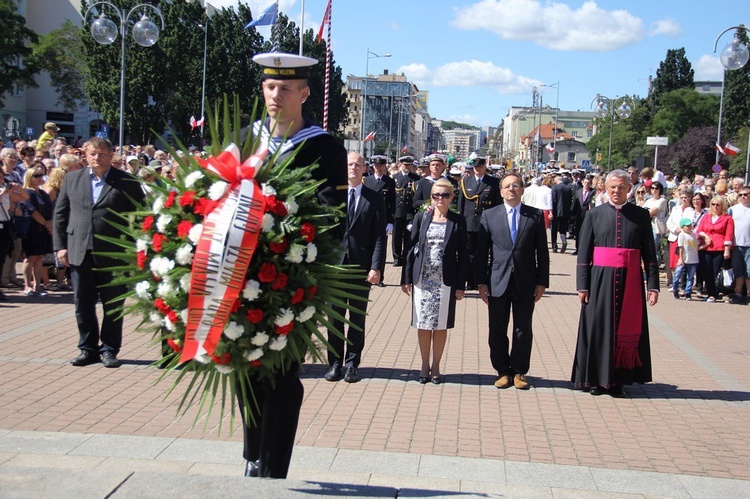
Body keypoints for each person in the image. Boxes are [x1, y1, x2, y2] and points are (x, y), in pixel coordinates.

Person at [238, 52, 348, 480]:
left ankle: (272, 468)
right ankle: (252, 451)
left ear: (303, 93)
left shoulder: (324, 147)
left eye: (285, 88)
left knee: (283, 375)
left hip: (295, 280)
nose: (275, 95)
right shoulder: (246, 140)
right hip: (243, 273)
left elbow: (333, 216)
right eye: (269, 86)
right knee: (247, 367)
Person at [53, 137, 146, 366]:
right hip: (79, 250)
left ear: (111, 155)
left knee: (113, 304)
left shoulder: (126, 181)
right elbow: (60, 215)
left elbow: (142, 216)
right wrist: (60, 246)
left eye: (102, 154)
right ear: (85, 154)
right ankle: (87, 348)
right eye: (93, 153)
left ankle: (109, 349)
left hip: (114, 254)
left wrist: (135, 247)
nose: (97, 158)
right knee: (82, 304)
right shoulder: (72, 179)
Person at [571, 169, 659, 397]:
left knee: (624, 330)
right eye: (613, 187)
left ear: (629, 189)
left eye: (621, 187)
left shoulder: (640, 215)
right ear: (605, 188)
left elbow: (650, 253)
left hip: (630, 281)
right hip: (600, 281)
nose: (617, 191)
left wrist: (653, 285)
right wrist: (583, 285)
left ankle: (618, 381)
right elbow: (583, 253)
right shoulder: (594, 214)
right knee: (598, 329)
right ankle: (596, 380)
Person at [475, 173, 549, 391]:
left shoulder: (534, 216)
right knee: (497, 329)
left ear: (522, 189)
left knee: (522, 329)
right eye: (507, 186)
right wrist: (481, 282)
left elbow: (542, 252)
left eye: (516, 185)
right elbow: (482, 253)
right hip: (497, 281)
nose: (511, 189)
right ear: (501, 191)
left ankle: (519, 371)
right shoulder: (490, 215)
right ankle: (502, 371)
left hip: (526, 281)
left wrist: (542, 281)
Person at [325, 152, 386, 383]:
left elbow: (379, 236)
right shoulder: (333, 195)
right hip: (335, 267)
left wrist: (376, 267)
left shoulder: (374, 197)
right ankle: (334, 363)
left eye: (357, 165)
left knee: (356, 319)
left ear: (364, 169)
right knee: (334, 319)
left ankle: (352, 364)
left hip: (361, 267)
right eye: (349, 164)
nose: (353, 168)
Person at [401, 178, 467, 384]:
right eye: (436, 195)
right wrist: (406, 278)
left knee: (440, 326)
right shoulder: (422, 218)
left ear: (452, 197)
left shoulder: (458, 221)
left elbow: (463, 255)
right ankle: (424, 364)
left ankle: (436, 365)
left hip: (445, 280)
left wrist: (460, 285)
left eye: (445, 195)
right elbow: (410, 249)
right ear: (431, 197)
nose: (440, 199)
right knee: (422, 323)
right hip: (423, 279)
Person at [457, 155, 501, 290]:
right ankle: (470, 281)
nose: (477, 169)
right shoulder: (465, 182)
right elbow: (461, 205)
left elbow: (498, 204)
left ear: (485, 167)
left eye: (480, 166)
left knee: (483, 253)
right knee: (469, 254)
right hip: (469, 223)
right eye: (475, 166)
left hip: (487, 223)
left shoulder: (493, 182)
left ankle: (481, 280)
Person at [19, 165, 54, 296]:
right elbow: (32, 211)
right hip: (32, 229)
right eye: (36, 176)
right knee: (30, 258)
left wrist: (50, 223)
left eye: (41, 175)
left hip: (43, 229)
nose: (40, 178)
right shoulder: (27, 192)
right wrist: (46, 223)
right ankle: (27, 286)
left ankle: (38, 285)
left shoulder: (43, 193)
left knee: (40, 257)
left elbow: (50, 209)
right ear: (29, 178)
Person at [696, 196, 735, 303]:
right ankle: (710, 292)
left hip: (719, 248)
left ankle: (714, 293)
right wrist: (705, 236)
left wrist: (727, 249)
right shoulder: (706, 217)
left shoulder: (727, 218)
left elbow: (729, 234)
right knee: (706, 271)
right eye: (713, 204)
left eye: (718, 205)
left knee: (715, 272)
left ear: (722, 206)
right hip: (706, 247)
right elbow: (699, 230)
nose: (715, 207)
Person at [363, 155, 394, 287]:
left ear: (385, 166)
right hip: (368, 218)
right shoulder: (367, 180)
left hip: (382, 219)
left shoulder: (389, 182)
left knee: (380, 249)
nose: (378, 168)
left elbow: (392, 203)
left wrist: (391, 221)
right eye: (376, 166)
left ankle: (380, 277)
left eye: (381, 165)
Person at [0, 173, 29, 300]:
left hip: (5, 227)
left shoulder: (6, 192)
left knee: (1, 259)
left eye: (1, 177)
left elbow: (25, 197)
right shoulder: (3, 192)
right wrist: (3, 193)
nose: (1, 180)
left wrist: (19, 188)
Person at [392, 156, 420, 268]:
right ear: (400, 164)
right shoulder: (394, 178)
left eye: (409, 165)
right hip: (397, 211)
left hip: (409, 211)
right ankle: (396, 257)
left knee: (408, 236)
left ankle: (407, 257)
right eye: (405, 164)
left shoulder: (415, 178)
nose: (407, 167)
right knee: (396, 236)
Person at [665, 189, 694, 292]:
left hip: (685, 238)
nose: (684, 199)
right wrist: (675, 229)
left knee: (683, 261)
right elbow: (669, 222)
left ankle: (683, 284)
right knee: (673, 261)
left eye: (686, 197)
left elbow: (690, 223)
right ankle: (675, 283)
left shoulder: (692, 210)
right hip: (674, 237)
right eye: (681, 197)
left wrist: (682, 230)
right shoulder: (675, 209)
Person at [728, 186, 750, 304]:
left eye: (746, 194)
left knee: (749, 272)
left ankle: (748, 295)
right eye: (740, 195)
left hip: (749, 246)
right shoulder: (733, 209)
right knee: (738, 271)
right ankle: (737, 294)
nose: (743, 197)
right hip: (736, 245)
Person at [643, 181, 668, 270]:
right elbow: (644, 212)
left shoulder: (662, 200)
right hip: (647, 225)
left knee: (654, 248)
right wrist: (647, 211)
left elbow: (651, 211)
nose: (654, 190)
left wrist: (647, 211)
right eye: (652, 188)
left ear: (660, 190)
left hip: (657, 227)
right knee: (648, 248)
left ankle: (654, 268)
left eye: (656, 188)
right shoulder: (648, 200)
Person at [673, 218, 699, 301]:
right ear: (682, 227)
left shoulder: (694, 234)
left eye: (690, 225)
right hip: (685, 259)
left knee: (690, 277)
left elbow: (696, 246)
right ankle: (675, 289)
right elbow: (681, 248)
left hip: (693, 259)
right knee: (677, 275)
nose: (689, 227)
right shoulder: (682, 235)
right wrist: (681, 258)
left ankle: (688, 292)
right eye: (687, 226)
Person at [570, 177, 594, 255]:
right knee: (578, 233)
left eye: (588, 183)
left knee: (587, 233)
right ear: (582, 183)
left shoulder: (593, 192)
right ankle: (578, 249)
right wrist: (572, 214)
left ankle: (586, 250)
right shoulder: (578, 192)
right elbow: (574, 204)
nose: (586, 184)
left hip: (588, 216)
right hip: (579, 216)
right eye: (585, 183)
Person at [550, 174, 573, 253]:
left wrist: (551, 212)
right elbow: (570, 200)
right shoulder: (568, 188)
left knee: (554, 229)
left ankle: (554, 246)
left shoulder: (555, 188)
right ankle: (564, 240)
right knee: (562, 229)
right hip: (565, 212)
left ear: (556, 180)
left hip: (556, 211)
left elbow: (553, 200)